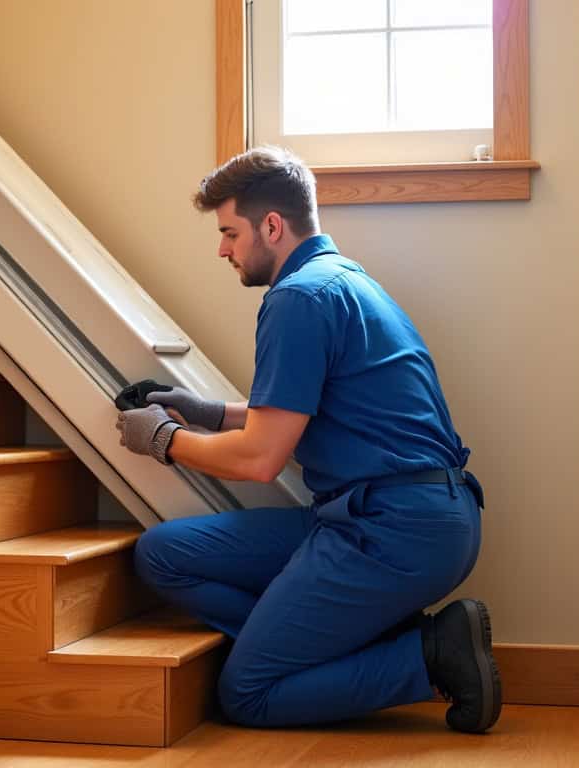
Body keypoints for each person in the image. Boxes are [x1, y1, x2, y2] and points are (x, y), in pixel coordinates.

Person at [113, 146, 500, 733]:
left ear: (272, 226)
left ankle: (426, 655)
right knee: (164, 553)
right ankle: (334, 647)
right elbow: (297, 414)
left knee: (247, 694)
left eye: (229, 233)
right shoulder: (343, 280)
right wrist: (207, 412)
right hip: (400, 516)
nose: (222, 249)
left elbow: (262, 457)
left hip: (394, 529)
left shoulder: (297, 299)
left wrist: (164, 439)